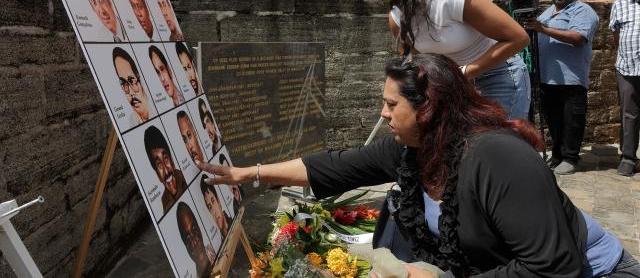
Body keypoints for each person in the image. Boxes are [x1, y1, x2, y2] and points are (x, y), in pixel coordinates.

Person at [198, 54, 637, 277]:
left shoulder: (498, 157)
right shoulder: (415, 148)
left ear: (427, 108)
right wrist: (246, 174)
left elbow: (553, 267)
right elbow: (331, 168)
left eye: (391, 105)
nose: (383, 116)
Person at [360, 0, 530, 119]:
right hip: (453, 84)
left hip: (497, 75)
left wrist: (462, 73)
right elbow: (416, 61)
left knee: (495, 145)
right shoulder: (396, 17)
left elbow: (518, 38)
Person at [524, 0, 599, 175]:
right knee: (553, 120)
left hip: (571, 78)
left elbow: (578, 38)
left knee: (572, 120)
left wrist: (543, 29)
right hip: (547, 77)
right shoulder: (547, 13)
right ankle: (557, 155)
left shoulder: (583, 11)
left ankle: (571, 158)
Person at [610, 0, 640, 177]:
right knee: (629, 114)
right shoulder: (620, 4)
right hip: (627, 68)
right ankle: (628, 158)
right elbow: (616, 36)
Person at [144, 125, 187, 213]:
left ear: (172, 161)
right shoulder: (165, 203)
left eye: (166, 159)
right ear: (157, 173)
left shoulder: (186, 179)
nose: (166, 171)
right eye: (159, 165)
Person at [112, 47, 153, 124]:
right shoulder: (131, 122)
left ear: (139, 78)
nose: (131, 92)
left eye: (132, 81)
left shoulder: (158, 108)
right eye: (124, 84)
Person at [176, 202, 213, 278]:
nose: (194, 242)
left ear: (199, 229)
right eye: (188, 238)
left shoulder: (214, 249)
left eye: (194, 230)